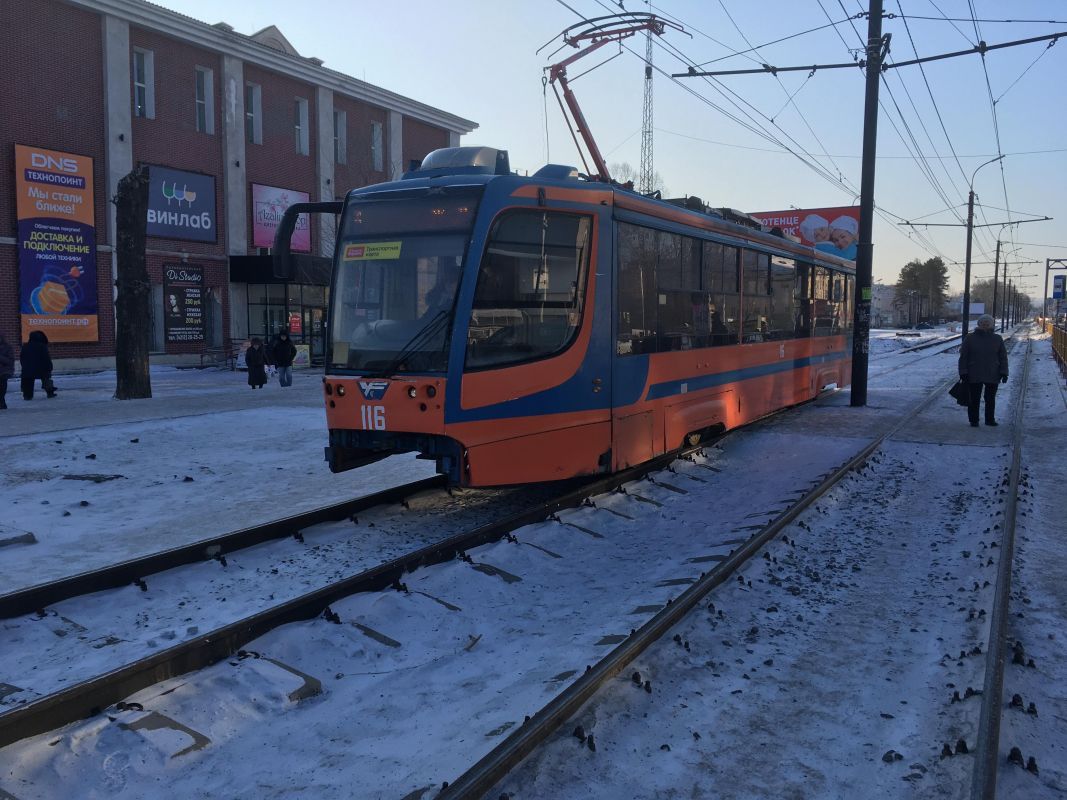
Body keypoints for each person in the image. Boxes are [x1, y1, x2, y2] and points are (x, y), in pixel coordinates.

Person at [958, 314, 1008, 427]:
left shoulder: (997, 338)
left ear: (991, 325)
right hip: (974, 372)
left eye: (988, 323)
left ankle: (990, 419)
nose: (985, 325)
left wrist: (1004, 372)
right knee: (974, 398)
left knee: (990, 399)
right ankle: (974, 420)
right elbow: (963, 356)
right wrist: (963, 372)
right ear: (979, 324)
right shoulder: (970, 338)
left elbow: (1003, 357)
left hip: (993, 372)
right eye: (983, 323)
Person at [19, 330, 57, 400]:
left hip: (28, 368)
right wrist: (49, 367)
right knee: (46, 379)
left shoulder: (25, 346)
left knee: (28, 381)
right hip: (42, 368)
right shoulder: (42, 346)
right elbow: (46, 358)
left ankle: (27, 395)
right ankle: (50, 392)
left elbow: (22, 357)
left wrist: (24, 365)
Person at [0, 332, 13, 410]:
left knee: (2, 386)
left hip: (4, 371)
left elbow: (10, 361)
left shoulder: (7, 347)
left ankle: (1, 401)